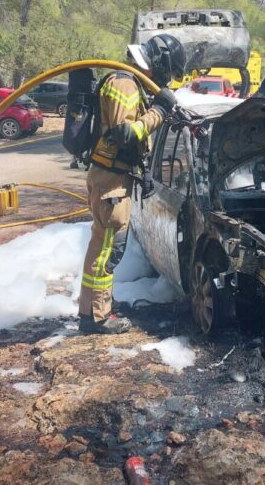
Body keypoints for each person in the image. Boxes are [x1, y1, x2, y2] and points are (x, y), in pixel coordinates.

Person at [78, 34, 185, 334]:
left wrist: (144, 169)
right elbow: (125, 134)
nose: (167, 78)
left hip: (110, 177)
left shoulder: (128, 81)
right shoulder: (124, 82)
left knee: (100, 247)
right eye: (169, 71)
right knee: (109, 251)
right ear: (160, 63)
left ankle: (90, 312)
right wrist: (159, 112)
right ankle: (99, 317)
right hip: (110, 182)